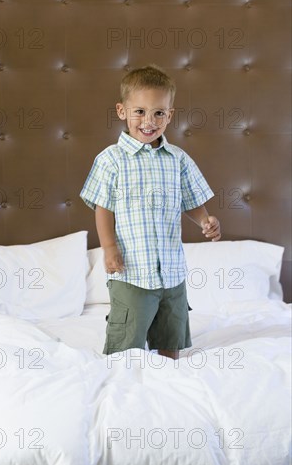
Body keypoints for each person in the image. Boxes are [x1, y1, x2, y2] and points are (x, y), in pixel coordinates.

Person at [80, 65, 221, 359]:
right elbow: (103, 207)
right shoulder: (111, 160)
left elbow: (191, 199)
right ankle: (125, 374)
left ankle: (167, 373)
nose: (149, 121)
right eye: (140, 112)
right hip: (132, 270)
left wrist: (205, 220)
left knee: (171, 331)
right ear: (122, 111)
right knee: (127, 336)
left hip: (171, 270)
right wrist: (109, 247)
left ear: (169, 115)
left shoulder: (177, 159)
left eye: (159, 113)